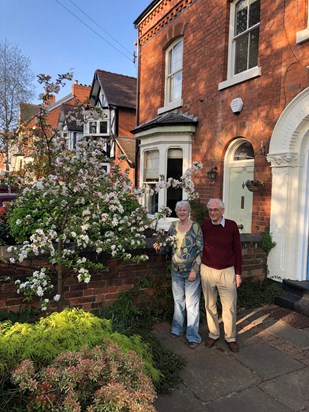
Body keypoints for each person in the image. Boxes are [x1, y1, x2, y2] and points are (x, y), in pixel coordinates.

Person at [153, 200, 203, 349]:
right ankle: (177, 328)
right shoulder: (173, 227)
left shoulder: (195, 227)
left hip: (191, 272)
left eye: (184, 210)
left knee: (192, 305)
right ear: (176, 212)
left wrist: (195, 270)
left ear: (189, 212)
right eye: (179, 210)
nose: (182, 212)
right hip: (176, 271)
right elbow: (169, 248)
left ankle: (193, 336)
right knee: (178, 302)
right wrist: (159, 248)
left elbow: (200, 250)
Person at [200, 198, 242, 353]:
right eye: (210, 210)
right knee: (209, 304)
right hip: (207, 270)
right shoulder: (204, 226)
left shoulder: (231, 226)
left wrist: (238, 273)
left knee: (229, 306)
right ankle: (213, 333)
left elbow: (237, 251)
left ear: (222, 211)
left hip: (227, 271)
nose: (212, 212)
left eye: (216, 209)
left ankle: (230, 337)